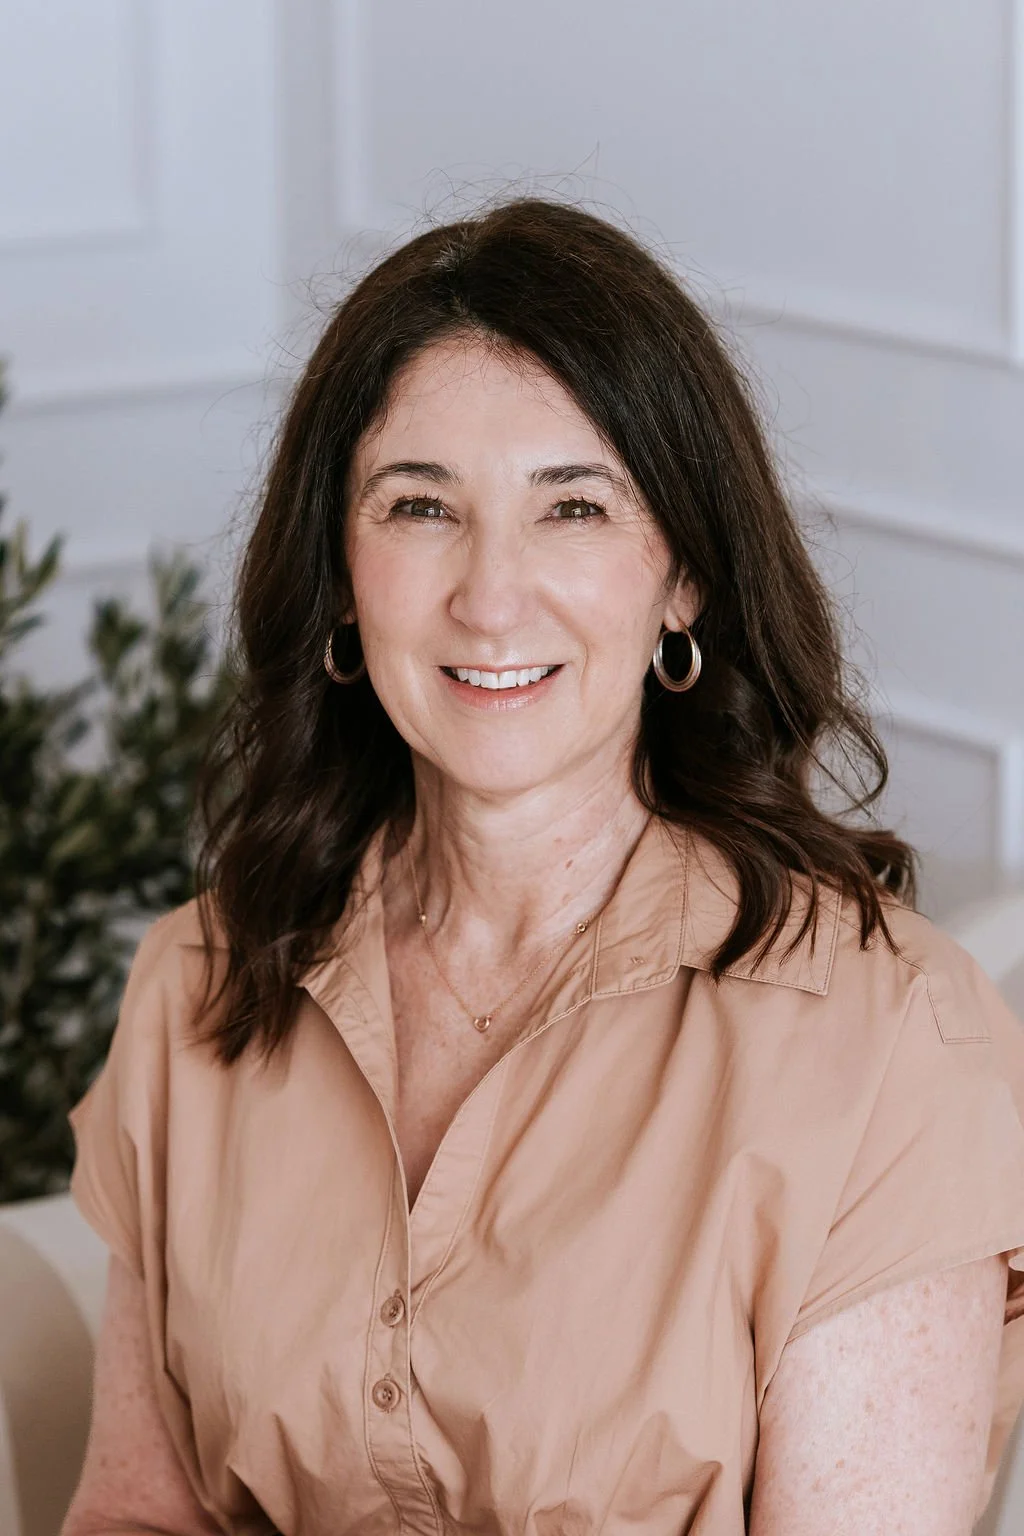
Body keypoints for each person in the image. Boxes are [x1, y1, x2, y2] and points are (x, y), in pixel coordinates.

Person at [62, 197, 1024, 1536]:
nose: (490, 595)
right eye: (420, 507)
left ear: (681, 574)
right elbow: (133, 1514)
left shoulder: (886, 1046)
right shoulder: (203, 982)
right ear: (343, 576)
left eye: (572, 506)